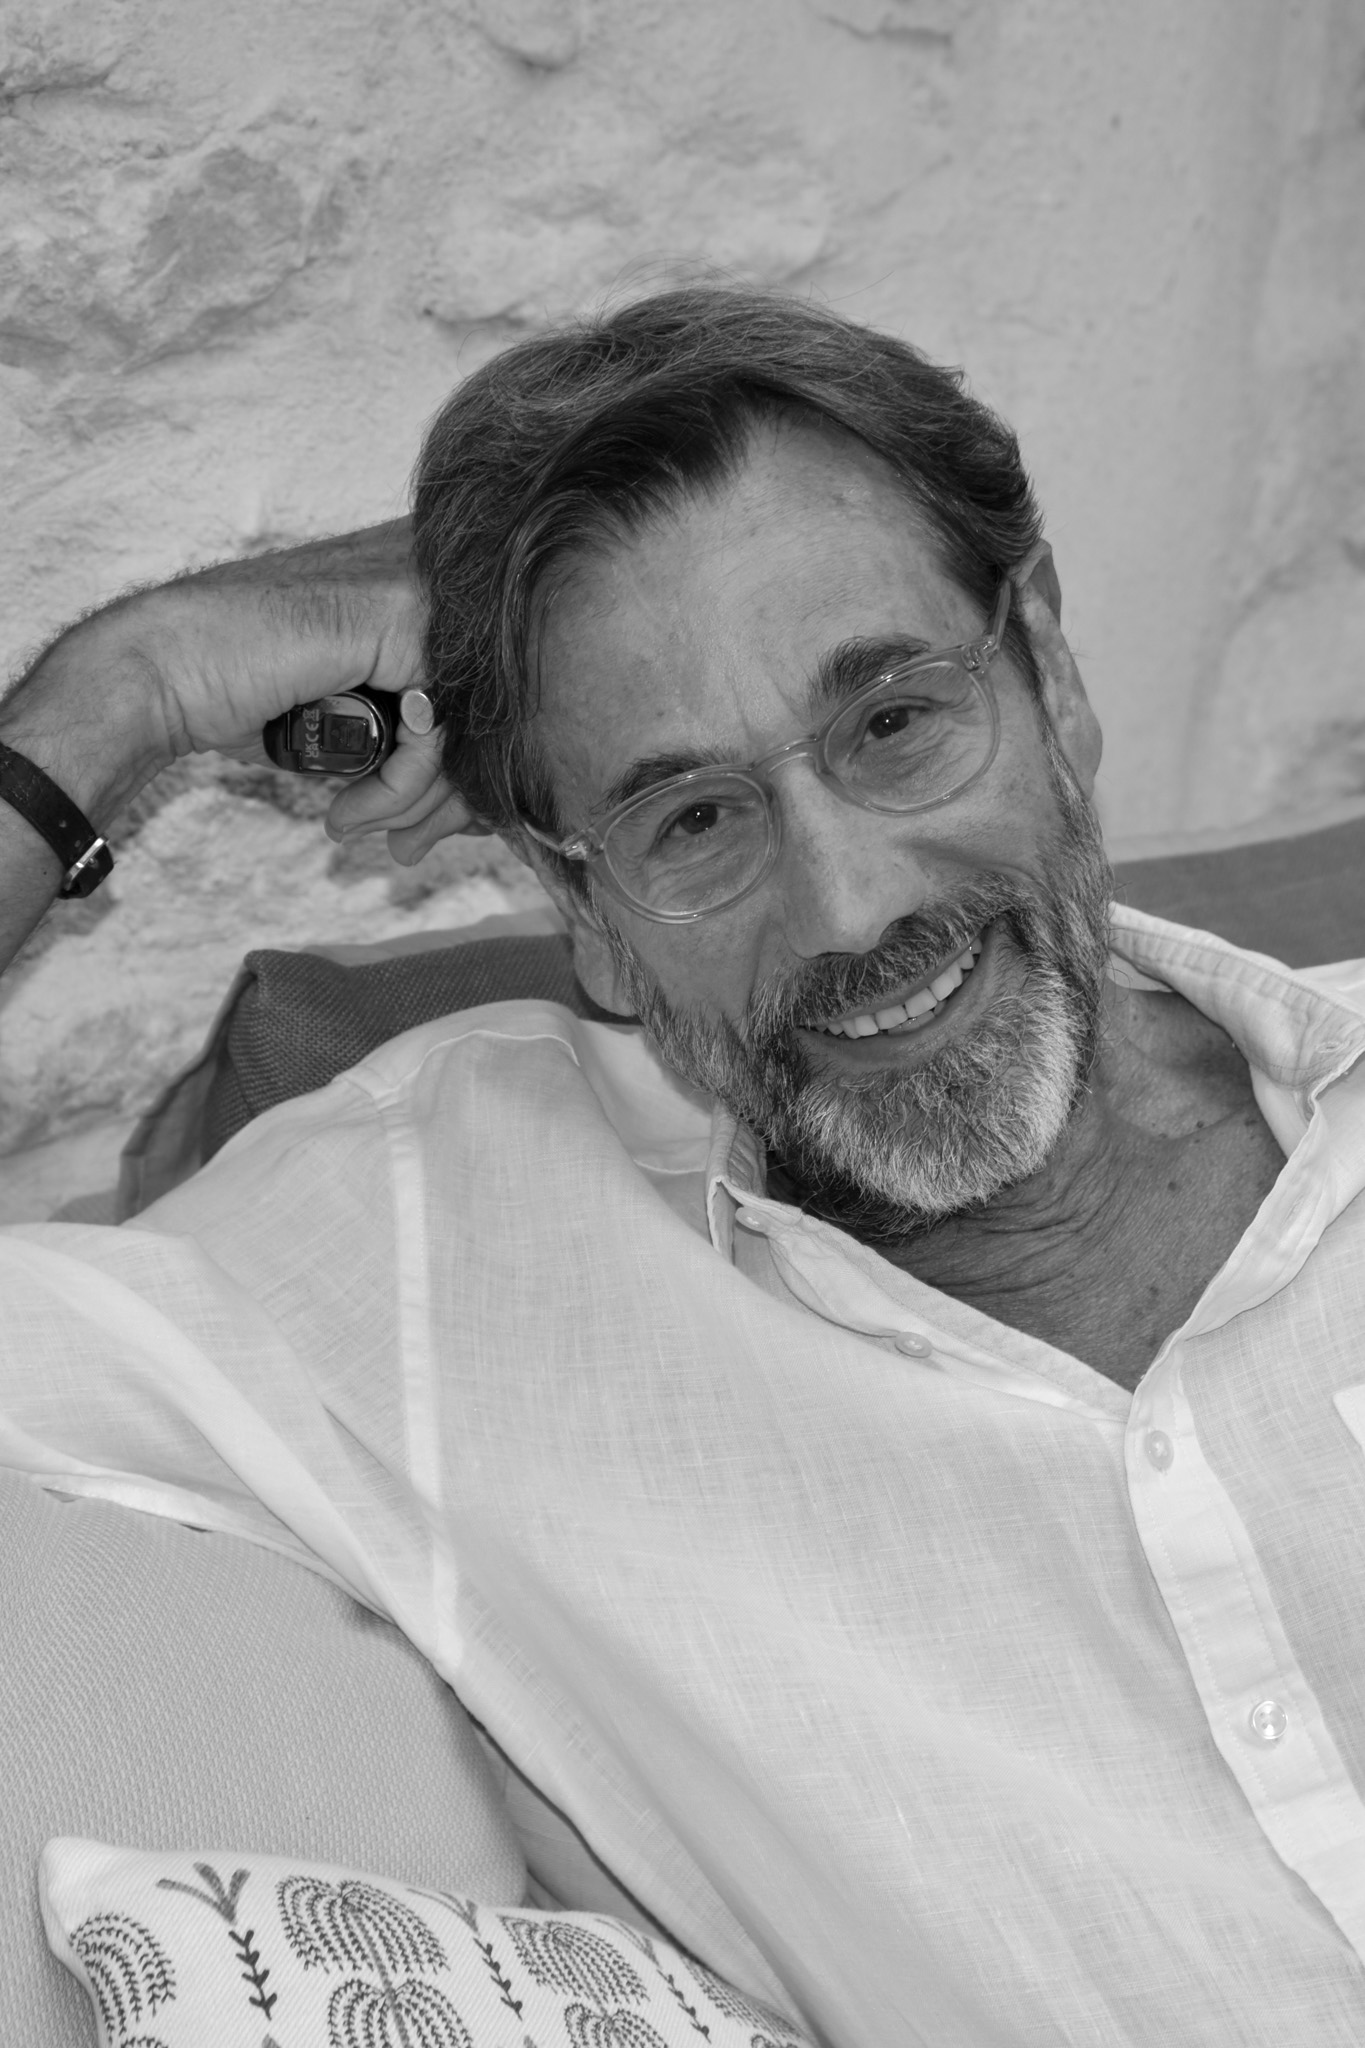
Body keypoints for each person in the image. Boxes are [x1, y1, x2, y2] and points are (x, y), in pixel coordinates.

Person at [3, 287, 1365, 2045]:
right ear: (581, 911)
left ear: (1051, 673)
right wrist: (125, 694)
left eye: (893, 724)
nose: (847, 906)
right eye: (691, 819)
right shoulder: (445, 1255)